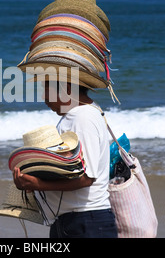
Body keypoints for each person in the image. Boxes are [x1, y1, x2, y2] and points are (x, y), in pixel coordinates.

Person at [13, 80, 118, 238]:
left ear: (66, 89)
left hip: (85, 222)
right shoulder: (78, 115)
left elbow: (86, 178)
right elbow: (72, 171)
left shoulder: (82, 117)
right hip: (78, 221)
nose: (43, 97)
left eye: (46, 90)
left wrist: (38, 184)